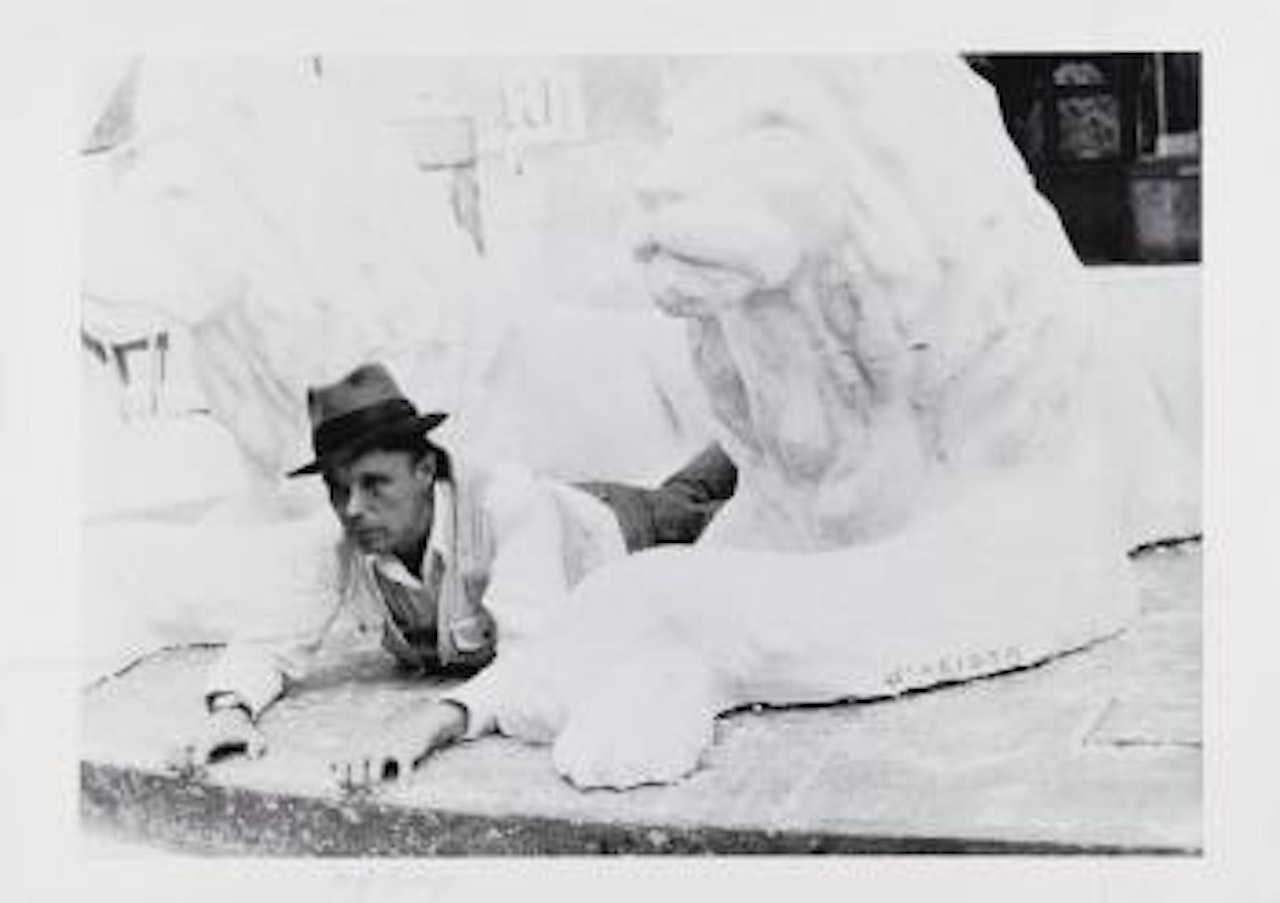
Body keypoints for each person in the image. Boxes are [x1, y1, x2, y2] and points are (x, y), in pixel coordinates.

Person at [174, 361, 737, 776]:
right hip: (564, 517)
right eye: (338, 489)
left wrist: (432, 721)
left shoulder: (506, 502)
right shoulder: (340, 531)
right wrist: (230, 710)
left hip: (616, 532)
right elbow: (268, 639)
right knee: (691, 487)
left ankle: (745, 426)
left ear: (425, 469)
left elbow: (534, 657)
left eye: (374, 483)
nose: (353, 507)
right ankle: (733, 441)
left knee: (731, 504)